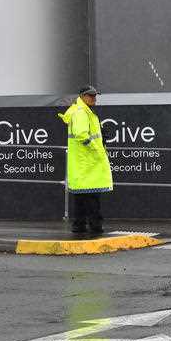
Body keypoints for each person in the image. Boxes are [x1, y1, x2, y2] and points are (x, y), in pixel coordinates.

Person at [59, 85, 113, 234]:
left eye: (95, 95)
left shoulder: (81, 111)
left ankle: (79, 225)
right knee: (91, 197)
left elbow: (85, 133)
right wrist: (96, 148)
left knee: (81, 196)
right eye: (91, 96)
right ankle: (95, 226)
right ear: (82, 96)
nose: (94, 98)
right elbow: (81, 134)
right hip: (88, 161)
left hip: (82, 162)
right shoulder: (81, 112)